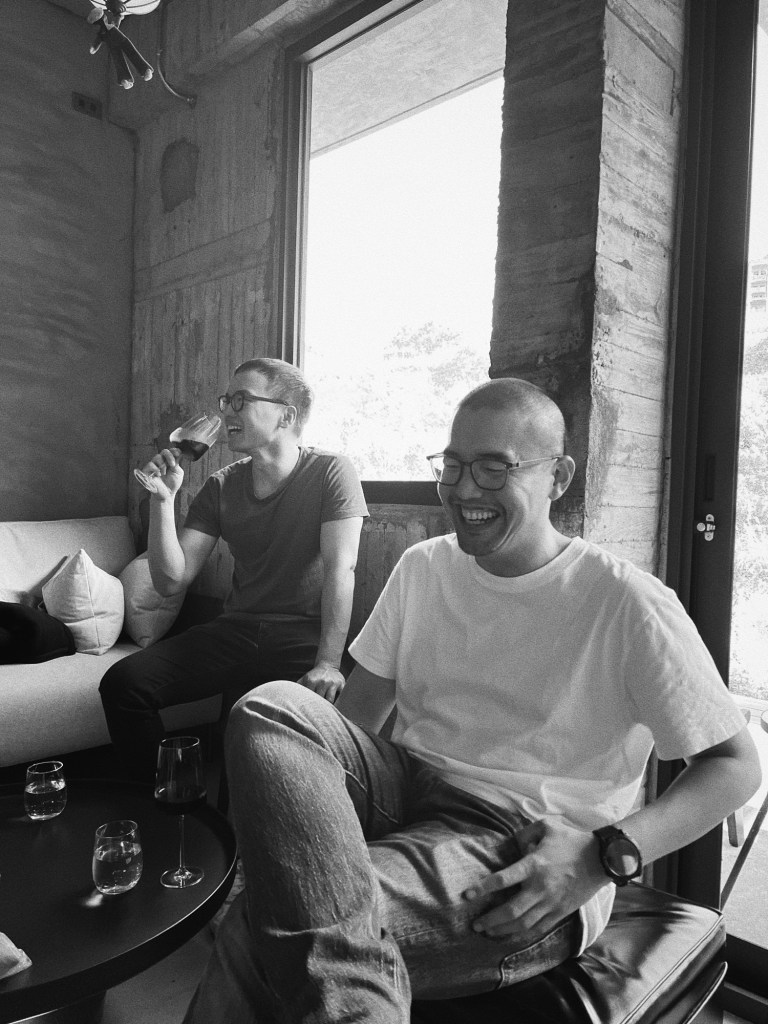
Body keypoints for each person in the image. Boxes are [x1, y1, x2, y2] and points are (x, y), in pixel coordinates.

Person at [183, 377, 760, 1023]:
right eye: (453, 465)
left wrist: (606, 855)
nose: (463, 490)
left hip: (522, 839)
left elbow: (735, 768)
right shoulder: (424, 566)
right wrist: (293, 830)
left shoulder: (626, 602)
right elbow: (352, 725)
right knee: (271, 707)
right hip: (406, 787)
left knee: (259, 926)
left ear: (558, 477)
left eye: (494, 468)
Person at [99, 357, 368, 782]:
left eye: (240, 400)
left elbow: (341, 570)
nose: (226, 412)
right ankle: (170, 799)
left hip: (303, 637)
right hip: (236, 632)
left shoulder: (331, 472)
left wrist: (329, 663)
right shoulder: (221, 485)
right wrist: (162, 501)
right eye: (226, 400)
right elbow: (170, 581)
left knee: (271, 761)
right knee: (123, 685)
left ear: (286, 416)